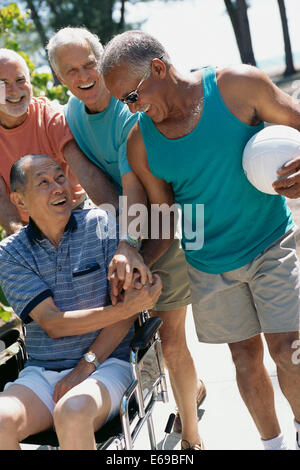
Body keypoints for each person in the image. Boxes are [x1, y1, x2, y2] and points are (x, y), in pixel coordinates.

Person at [101, 30, 300, 450]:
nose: (130, 108)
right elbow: (165, 217)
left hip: (272, 242)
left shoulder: (237, 85)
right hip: (210, 265)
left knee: (288, 350)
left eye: (132, 97)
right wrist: (137, 257)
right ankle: (274, 445)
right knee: (245, 360)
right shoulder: (140, 143)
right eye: (124, 102)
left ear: (158, 68)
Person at [46, 27, 206, 449]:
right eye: (70, 70)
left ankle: (191, 437)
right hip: (125, 236)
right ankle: (193, 388)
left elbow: (137, 188)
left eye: (88, 64)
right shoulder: (73, 115)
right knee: (145, 337)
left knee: (171, 340)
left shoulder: (128, 110)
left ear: (104, 62)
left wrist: (129, 245)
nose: (83, 75)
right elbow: (99, 190)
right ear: (59, 78)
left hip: (163, 228)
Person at [0, 154, 162, 450]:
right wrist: (125, 308)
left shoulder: (100, 224)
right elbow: (53, 323)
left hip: (109, 364)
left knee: (72, 412)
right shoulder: (11, 253)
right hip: (42, 373)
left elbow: (127, 312)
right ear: (20, 201)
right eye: (44, 183)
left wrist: (86, 366)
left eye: (60, 178)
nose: (58, 187)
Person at [0, 48, 116, 236]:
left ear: (29, 83)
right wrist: (21, 240)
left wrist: (119, 222)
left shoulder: (49, 116)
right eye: (3, 83)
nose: (14, 90)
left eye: (20, 80)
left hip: (76, 213)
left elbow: (86, 172)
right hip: (28, 227)